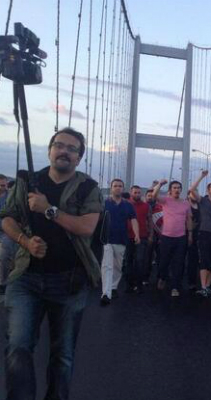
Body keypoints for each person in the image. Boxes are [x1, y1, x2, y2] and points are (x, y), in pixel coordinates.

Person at [0, 127, 102, 400]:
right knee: (18, 347)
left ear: (79, 158)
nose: (64, 151)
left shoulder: (88, 188)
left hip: (69, 281)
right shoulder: (27, 181)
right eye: (60, 145)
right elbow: (7, 217)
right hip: (26, 277)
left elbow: (86, 227)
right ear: (49, 150)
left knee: (62, 356)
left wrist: (48, 209)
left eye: (72, 149)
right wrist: (25, 241)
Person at [100, 179, 139, 306]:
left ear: (123, 188)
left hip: (122, 239)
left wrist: (137, 234)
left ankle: (113, 287)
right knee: (107, 265)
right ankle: (106, 293)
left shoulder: (128, 205)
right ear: (111, 188)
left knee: (117, 265)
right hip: (107, 239)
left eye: (120, 186)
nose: (117, 188)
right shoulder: (104, 204)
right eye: (115, 186)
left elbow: (133, 220)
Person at [152, 179, 192, 297]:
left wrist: (190, 234)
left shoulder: (185, 203)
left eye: (178, 188)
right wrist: (160, 184)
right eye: (174, 188)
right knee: (164, 261)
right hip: (166, 237)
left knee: (179, 263)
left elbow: (189, 219)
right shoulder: (166, 200)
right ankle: (162, 277)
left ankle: (175, 286)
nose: (177, 190)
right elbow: (154, 196)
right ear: (170, 190)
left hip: (181, 237)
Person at [125, 185, 151, 294]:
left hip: (142, 236)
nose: (137, 194)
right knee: (128, 261)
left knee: (140, 261)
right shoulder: (125, 205)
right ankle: (130, 285)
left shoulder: (146, 206)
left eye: (139, 193)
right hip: (127, 236)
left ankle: (139, 284)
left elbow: (149, 220)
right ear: (131, 193)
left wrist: (151, 235)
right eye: (135, 192)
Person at [0, 173, 17, 296]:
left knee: (4, 252)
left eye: (5, 185)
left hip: (5, 232)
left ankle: (3, 282)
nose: (4, 187)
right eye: (1, 185)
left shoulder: (10, 199)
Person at [186, 188, 200, 291]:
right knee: (180, 258)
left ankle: (192, 281)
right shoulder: (185, 204)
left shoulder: (200, 206)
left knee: (193, 259)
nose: (195, 195)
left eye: (196, 193)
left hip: (197, 236)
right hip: (183, 234)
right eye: (193, 193)